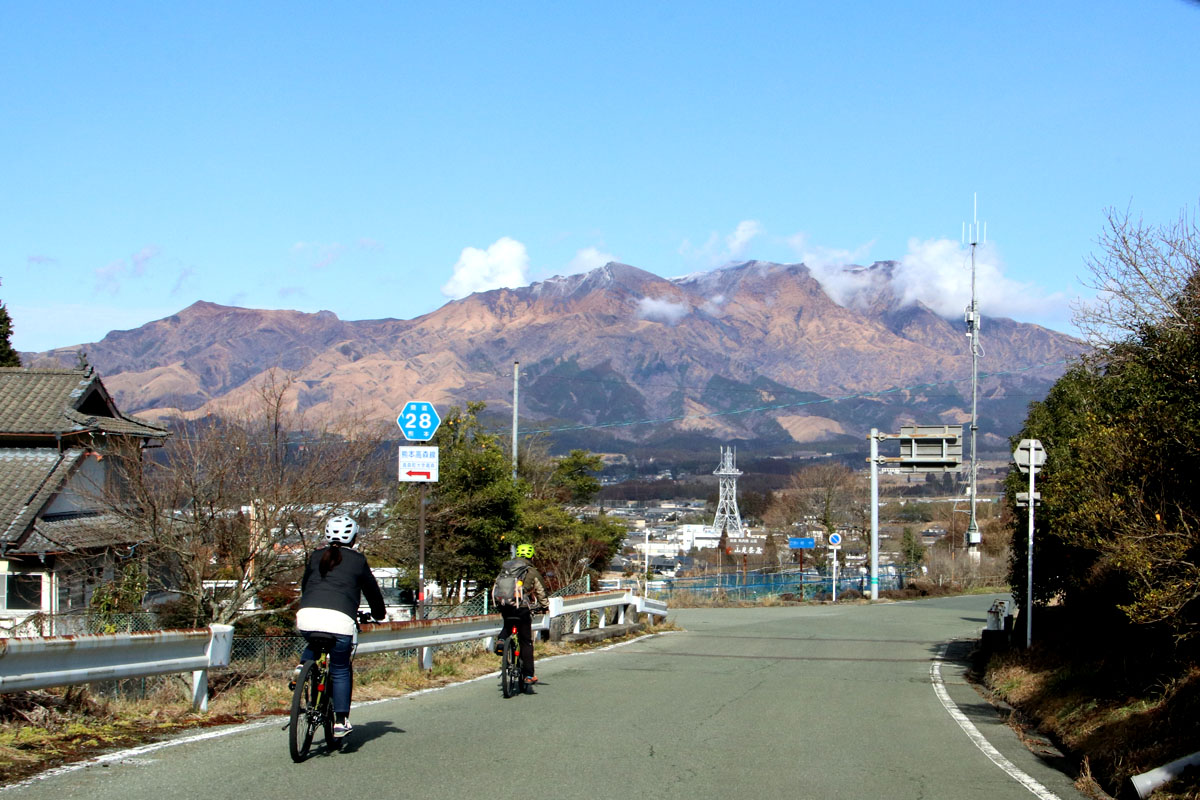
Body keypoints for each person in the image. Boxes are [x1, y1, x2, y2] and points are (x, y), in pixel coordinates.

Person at [295, 515, 386, 737]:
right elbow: (372, 592)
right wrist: (378, 614)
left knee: (314, 640)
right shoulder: (357, 560)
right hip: (340, 621)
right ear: (353, 537)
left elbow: (305, 586)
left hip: (307, 615)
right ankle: (340, 721)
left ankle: (302, 666)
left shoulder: (316, 556)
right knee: (340, 668)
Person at [492, 542, 548, 691]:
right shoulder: (531, 571)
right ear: (531, 556)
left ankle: (502, 640)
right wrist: (544, 606)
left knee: (508, 625)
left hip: (505, 605)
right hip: (522, 608)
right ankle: (528, 675)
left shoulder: (507, 568)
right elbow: (541, 591)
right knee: (525, 641)